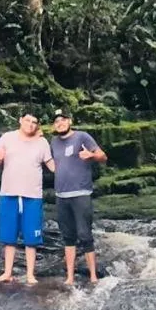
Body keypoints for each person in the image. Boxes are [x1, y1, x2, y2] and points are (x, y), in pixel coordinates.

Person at [0, 113, 54, 285]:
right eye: (27, 120)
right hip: (8, 192)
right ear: (20, 120)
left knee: (31, 239)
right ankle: (7, 273)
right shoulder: (7, 137)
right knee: (8, 236)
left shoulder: (42, 142)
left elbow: (52, 165)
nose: (30, 124)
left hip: (32, 195)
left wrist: (72, 166)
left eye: (34, 122)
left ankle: (30, 274)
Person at [49, 108, 107, 285]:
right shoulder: (53, 142)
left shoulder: (82, 137)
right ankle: (70, 277)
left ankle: (93, 276)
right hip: (61, 195)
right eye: (57, 121)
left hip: (81, 193)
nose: (60, 123)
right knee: (68, 237)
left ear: (70, 121)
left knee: (85, 235)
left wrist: (92, 155)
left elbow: (103, 156)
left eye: (63, 120)